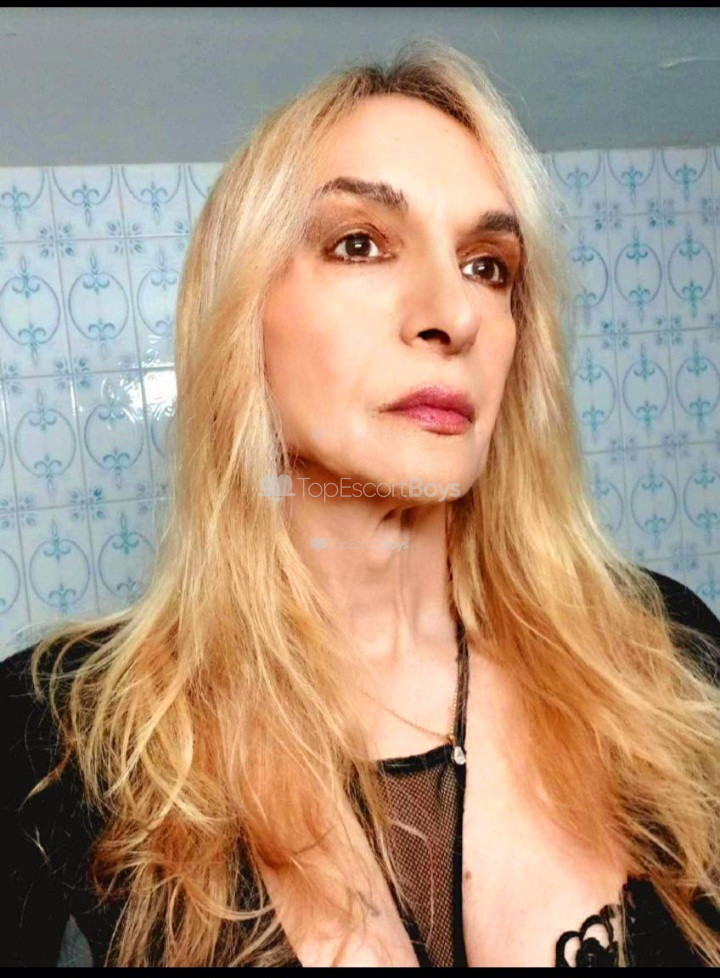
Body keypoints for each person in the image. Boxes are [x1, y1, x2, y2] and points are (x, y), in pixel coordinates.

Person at [3, 38, 720, 968]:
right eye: (360, 244)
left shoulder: (664, 653)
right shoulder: (51, 737)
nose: (451, 315)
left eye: (488, 265)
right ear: (242, 315)